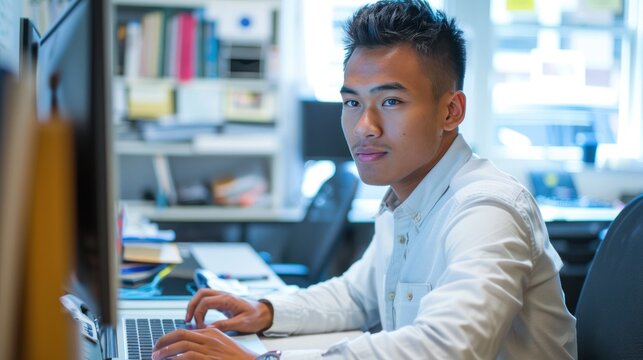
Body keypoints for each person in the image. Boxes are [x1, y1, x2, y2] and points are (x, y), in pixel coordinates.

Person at [152, 1, 577, 359]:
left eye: (390, 101)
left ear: (451, 111)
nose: (363, 127)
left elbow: (449, 347)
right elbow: (358, 296)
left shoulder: (487, 209)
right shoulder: (405, 200)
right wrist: (265, 311)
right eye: (352, 102)